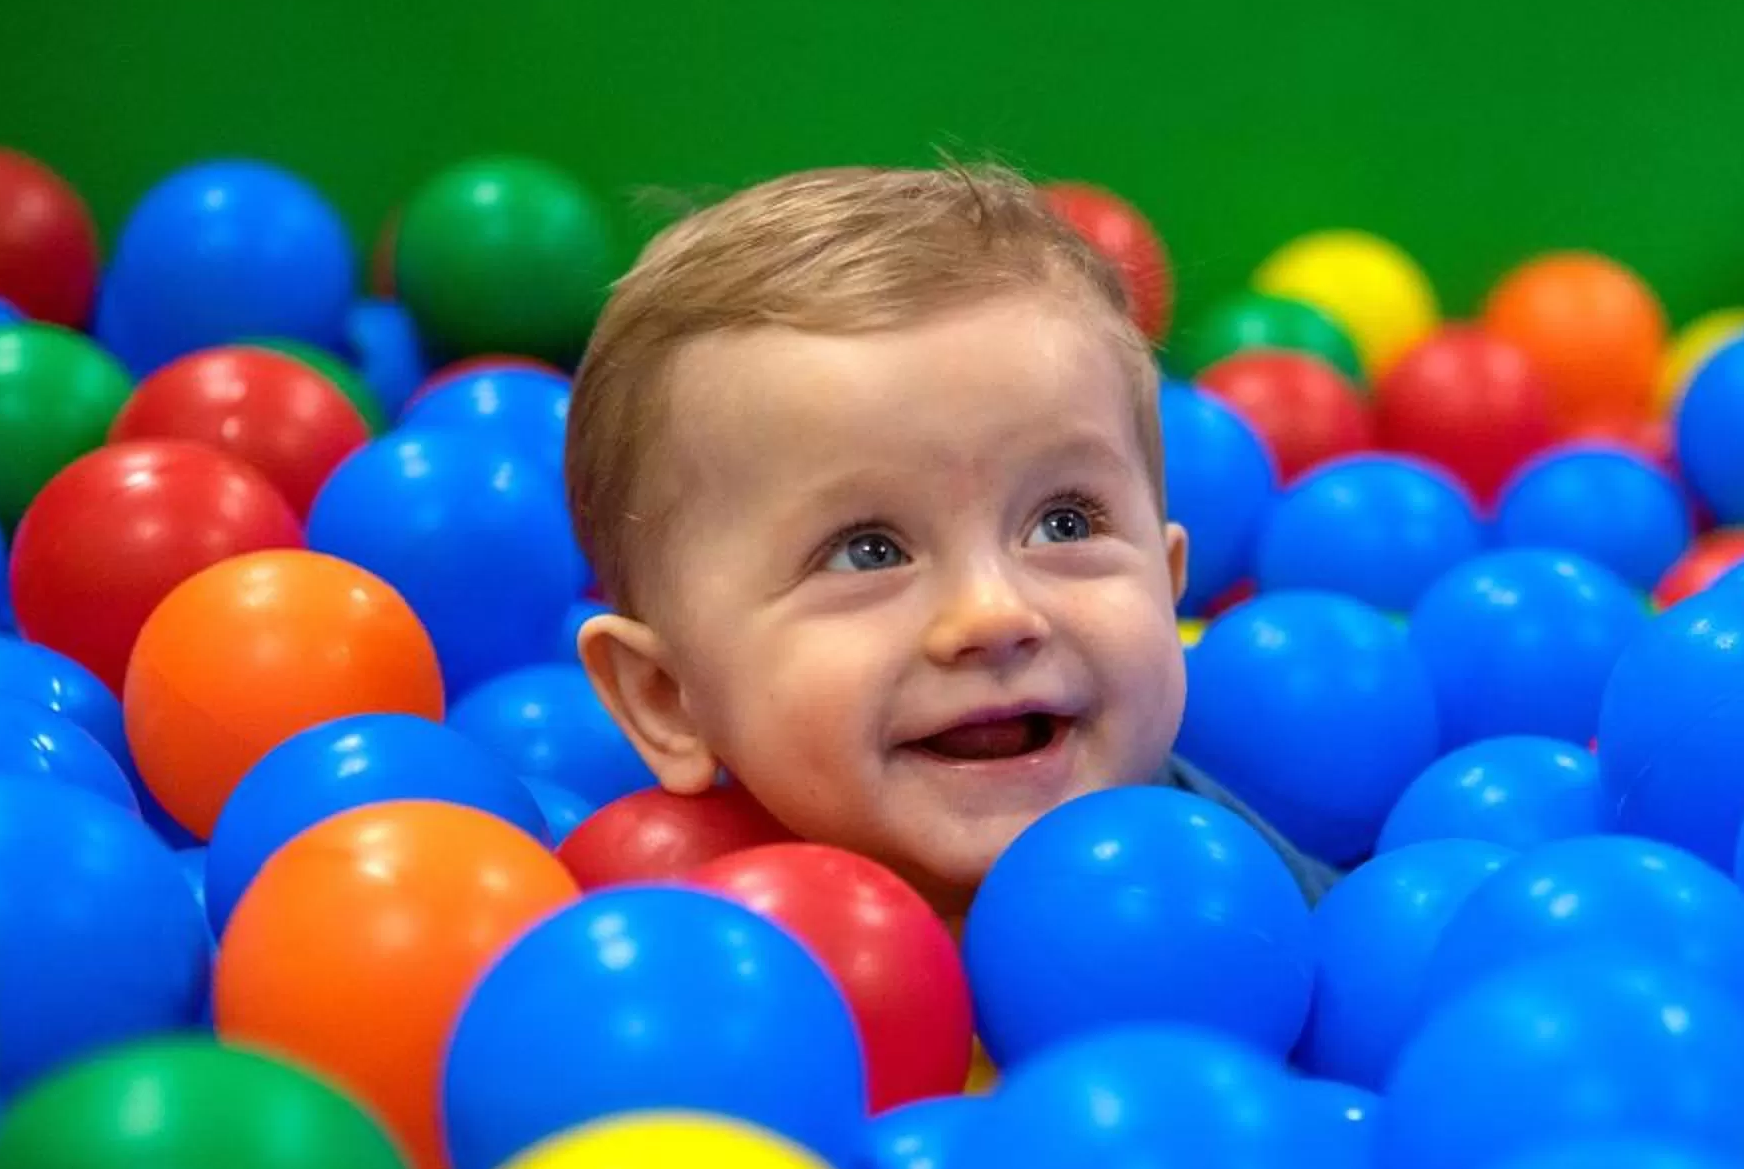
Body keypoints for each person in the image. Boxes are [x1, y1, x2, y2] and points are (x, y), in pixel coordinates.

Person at [566, 164, 1336, 920]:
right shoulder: (686, 954)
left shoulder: (1237, 899)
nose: (994, 614)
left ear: (1167, 592)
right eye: (868, 550)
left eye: (1064, 524)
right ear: (668, 698)